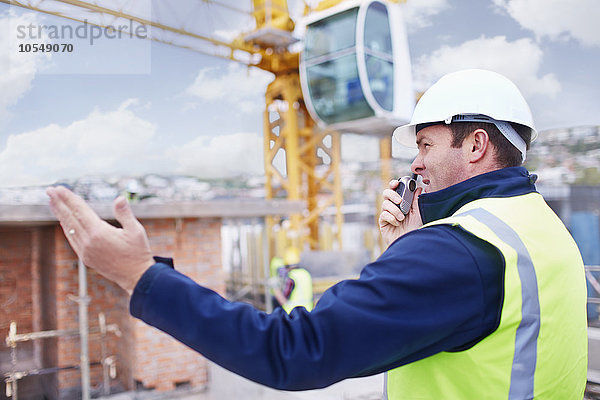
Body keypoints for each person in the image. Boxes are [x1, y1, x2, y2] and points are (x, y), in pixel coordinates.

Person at [46, 69, 587, 398]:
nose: (415, 163)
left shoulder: (457, 249)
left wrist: (139, 277)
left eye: (426, 144)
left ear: (475, 146)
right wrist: (406, 247)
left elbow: (293, 351)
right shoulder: (540, 225)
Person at [271, 247, 314, 313]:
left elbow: (283, 301)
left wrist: (275, 288)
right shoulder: (306, 273)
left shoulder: (291, 277)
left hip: (293, 316)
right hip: (308, 313)